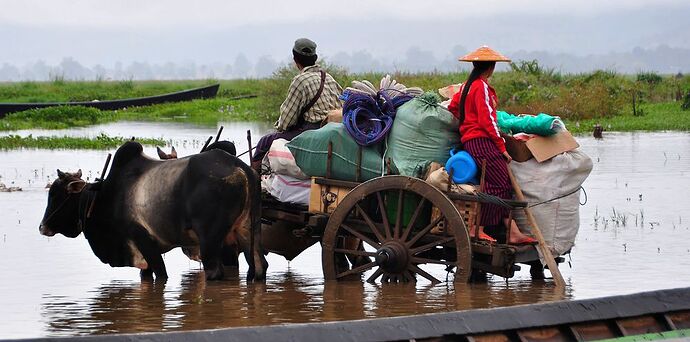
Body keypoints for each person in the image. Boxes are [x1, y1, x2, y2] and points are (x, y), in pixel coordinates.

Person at [447, 46, 537, 245]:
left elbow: (453, 107)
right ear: (491, 68)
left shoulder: (466, 86)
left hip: (471, 139)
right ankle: (476, 228)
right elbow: (488, 120)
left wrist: (467, 122)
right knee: (496, 182)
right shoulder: (480, 87)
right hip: (480, 140)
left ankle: (511, 230)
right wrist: (502, 147)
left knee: (502, 182)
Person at [251, 38, 343, 171]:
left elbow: (286, 121)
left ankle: (256, 183)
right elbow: (341, 104)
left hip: (312, 132)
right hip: (333, 131)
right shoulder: (328, 77)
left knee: (264, 142)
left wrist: (279, 127)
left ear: (295, 60)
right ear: (315, 58)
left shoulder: (300, 81)